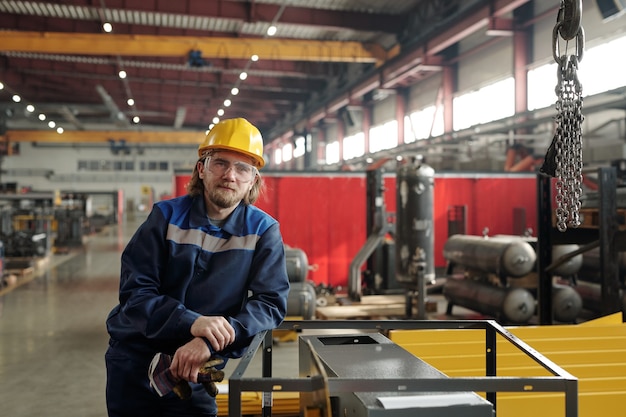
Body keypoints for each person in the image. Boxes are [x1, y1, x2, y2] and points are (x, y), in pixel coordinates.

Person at [104, 117, 290, 417]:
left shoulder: (263, 230)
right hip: (136, 360)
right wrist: (191, 321)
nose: (230, 175)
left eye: (242, 168)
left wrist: (210, 340)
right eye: (220, 163)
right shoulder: (165, 217)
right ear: (201, 169)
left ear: (253, 180)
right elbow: (135, 292)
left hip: (197, 366)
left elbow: (270, 303)